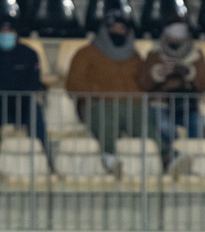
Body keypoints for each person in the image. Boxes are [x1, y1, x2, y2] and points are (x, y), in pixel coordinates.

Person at [65, 8, 153, 159]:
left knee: (147, 128)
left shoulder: (135, 57)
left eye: (122, 28)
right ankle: (110, 159)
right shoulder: (85, 53)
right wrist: (96, 93)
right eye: (114, 28)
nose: (119, 32)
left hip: (131, 106)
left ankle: (166, 157)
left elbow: (143, 82)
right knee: (107, 122)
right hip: (98, 105)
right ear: (105, 30)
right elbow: (73, 83)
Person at [137, 19, 205, 157]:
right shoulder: (154, 55)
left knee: (198, 125)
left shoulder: (196, 56)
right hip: (160, 104)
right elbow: (143, 84)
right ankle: (175, 158)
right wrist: (159, 73)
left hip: (187, 105)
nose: (176, 40)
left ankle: (192, 160)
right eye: (173, 36)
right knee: (166, 128)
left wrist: (188, 72)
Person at [0, 21, 45, 142]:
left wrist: (16, 92)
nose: (6, 34)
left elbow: (33, 82)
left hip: (21, 103)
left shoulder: (29, 54)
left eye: (10, 31)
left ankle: (44, 155)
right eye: (3, 31)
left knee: (35, 110)